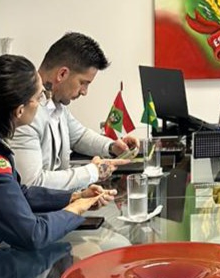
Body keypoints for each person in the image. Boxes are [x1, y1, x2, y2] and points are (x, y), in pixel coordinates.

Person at [0, 54, 110, 255]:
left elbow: (18, 192)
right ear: (19, 110)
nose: (43, 102)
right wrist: (77, 209)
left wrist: (74, 196)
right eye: (38, 97)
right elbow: (33, 235)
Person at [11, 32, 137, 190]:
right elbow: (31, 183)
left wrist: (112, 147)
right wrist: (92, 172)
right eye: (83, 83)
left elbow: (79, 136)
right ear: (62, 74)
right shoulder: (25, 114)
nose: (84, 92)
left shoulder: (56, 104)